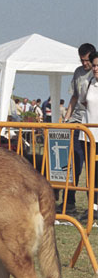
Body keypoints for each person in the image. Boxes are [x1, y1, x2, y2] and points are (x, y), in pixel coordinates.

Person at [60, 43, 96, 214]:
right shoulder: (78, 72)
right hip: (76, 122)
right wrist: (66, 119)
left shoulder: (95, 74)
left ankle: (93, 204)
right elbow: (74, 97)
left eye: (87, 61)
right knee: (74, 164)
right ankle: (70, 201)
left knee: (91, 166)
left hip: (90, 123)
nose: (85, 64)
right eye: (82, 60)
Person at [79, 51, 98, 219]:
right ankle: (92, 206)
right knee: (91, 174)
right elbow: (83, 101)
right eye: (95, 65)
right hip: (88, 134)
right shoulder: (88, 82)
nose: (96, 68)